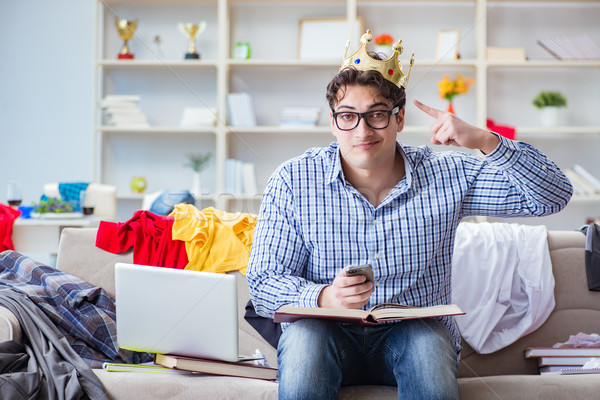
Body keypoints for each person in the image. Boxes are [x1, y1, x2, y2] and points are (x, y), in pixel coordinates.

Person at [246, 31, 572, 399]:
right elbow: (263, 281)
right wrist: (324, 298)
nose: (362, 131)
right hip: (326, 336)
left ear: (399, 118)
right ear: (334, 121)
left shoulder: (447, 174)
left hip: (415, 336)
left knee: (425, 344)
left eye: (377, 115)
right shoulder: (294, 180)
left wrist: (486, 141)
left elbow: (552, 196)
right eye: (349, 117)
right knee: (306, 336)